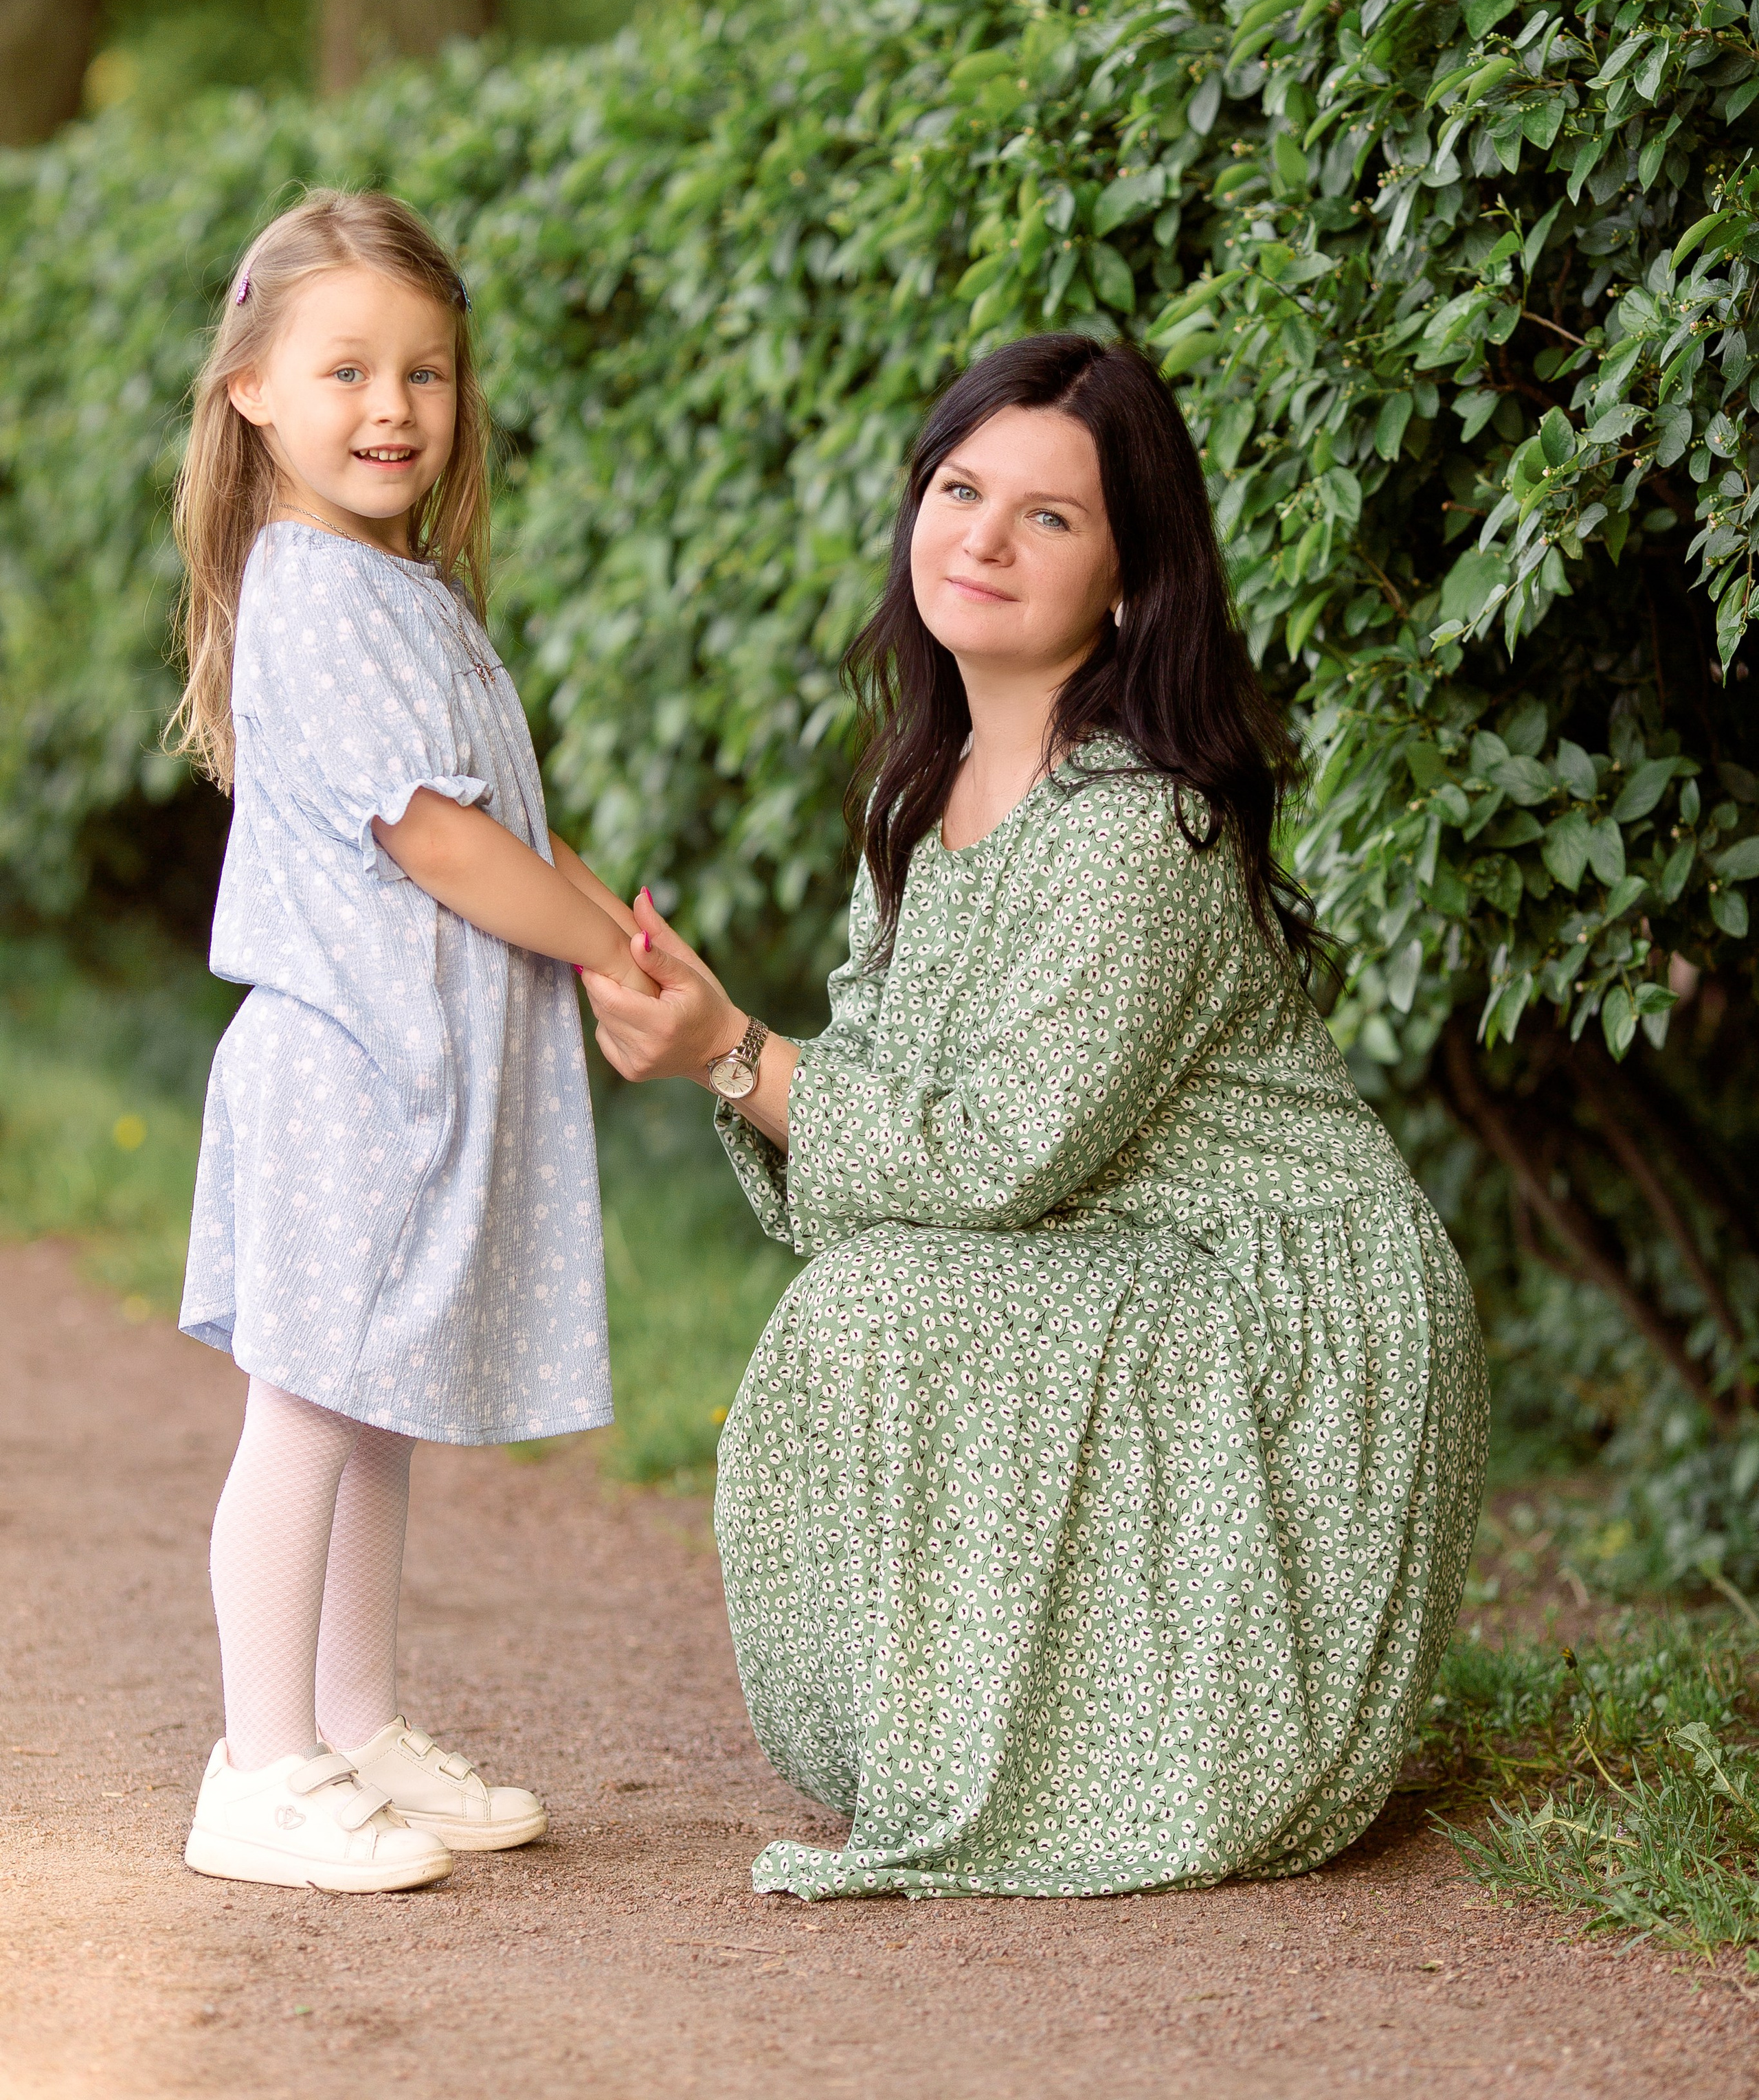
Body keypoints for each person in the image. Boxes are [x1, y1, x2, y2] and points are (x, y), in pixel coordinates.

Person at [587, 331, 1488, 1902]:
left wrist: (732, 1049)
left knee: (880, 1306)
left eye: (1048, 516)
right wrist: (717, 1044)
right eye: (958, 490)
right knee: (862, 1298)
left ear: (1129, 581)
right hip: (1120, 1259)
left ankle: (1158, 1749)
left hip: (1288, 1305)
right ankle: (964, 1736)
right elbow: (867, 1148)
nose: (984, 539)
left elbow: (992, 1156)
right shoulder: (922, 807)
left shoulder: (1143, 828)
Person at [170, 189, 653, 1893]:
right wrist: (599, 944)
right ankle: (260, 1764)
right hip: (345, 1078)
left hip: (402, 1079)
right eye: (347, 371)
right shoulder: (312, 589)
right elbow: (436, 840)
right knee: (306, 1415)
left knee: (367, 1410)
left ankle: (352, 1727)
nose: (392, 409)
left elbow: (498, 814)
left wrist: (611, 918)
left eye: (426, 374)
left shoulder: (398, 586)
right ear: (253, 391)